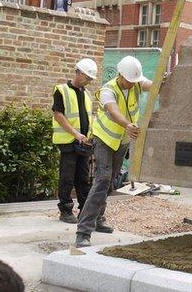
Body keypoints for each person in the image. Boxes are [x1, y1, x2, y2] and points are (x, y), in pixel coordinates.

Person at [75, 55, 152, 247]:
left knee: (110, 183)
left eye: (135, 81)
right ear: (120, 75)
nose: (131, 84)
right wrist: (127, 125)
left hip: (122, 141)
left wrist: (164, 80)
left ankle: (98, 218)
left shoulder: (134, 82)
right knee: (102, 180)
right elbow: (112, 111)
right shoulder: (108, 90)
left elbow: (151, 85)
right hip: (105, 139)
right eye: (128, 80)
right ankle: (83, 231)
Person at [52, 58, 97, 223]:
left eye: (91, 79)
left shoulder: (86, 93)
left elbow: (88, 116)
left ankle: (85, 210)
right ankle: (65, 210)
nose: (89, 81)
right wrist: (76, 134)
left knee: (83, 178)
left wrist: (89, 136)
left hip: (84, 143)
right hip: (68, 142)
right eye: (87, 77)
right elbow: (58, 115)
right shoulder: (61, 90)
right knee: (67, 178)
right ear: (77, 72)